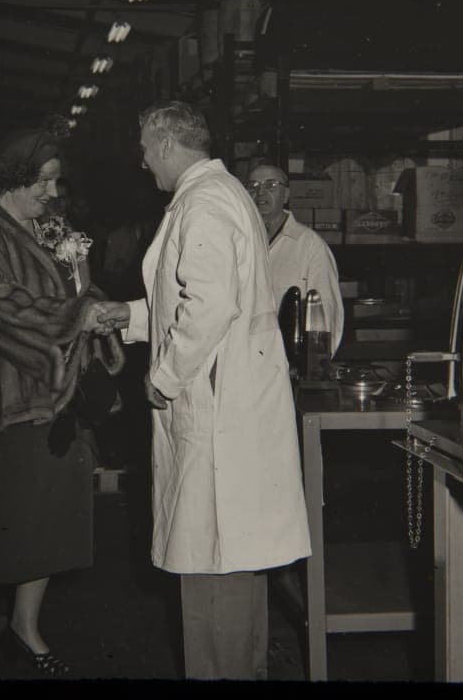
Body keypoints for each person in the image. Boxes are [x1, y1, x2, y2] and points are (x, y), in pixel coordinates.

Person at [95, 101, 312, 680]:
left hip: (218, 413)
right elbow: (192, 297)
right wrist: (131, 316)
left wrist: (162, 379)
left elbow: (210, 306)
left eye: (145, 149)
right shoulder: (211, 195)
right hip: (227, 406)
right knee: (223, 565)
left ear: (167, 145)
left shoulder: (205, 200)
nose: (144, 163)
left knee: (220, 569)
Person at [0, 128, 124, 678]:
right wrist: (73, 318)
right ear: (12, 177)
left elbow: (77, 287)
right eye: (42, 180)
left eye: (55, 180)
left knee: (45, 521)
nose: (52, 191)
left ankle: (24, 627)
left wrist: (100, 307)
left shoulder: (53, 227)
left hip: (59, 393)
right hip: (6, 391)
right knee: (0, 521)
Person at [246, 162, 344, 355]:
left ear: (286, 195)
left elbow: (326, 317)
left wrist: (311, 370)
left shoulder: (310, 246)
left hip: (287, 366)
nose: (260, 193)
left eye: (271, 185)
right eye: (253, 186)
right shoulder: (239, 241)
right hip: (245, 362)